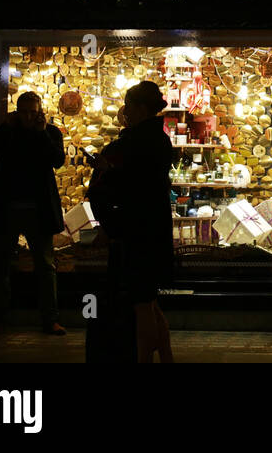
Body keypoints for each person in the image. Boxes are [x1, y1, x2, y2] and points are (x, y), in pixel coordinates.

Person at [89, 80, 177, 362]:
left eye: (127, 105)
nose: (124, 110)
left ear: (139, 108)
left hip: (137, 230)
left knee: (141, 304)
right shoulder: (158, 137)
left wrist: (107, 171)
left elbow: (130, 184)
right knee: (150, 302)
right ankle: (166, 357)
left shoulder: (136, 140)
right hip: (153, 227)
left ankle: (143, 359)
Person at [0, 91, 67, 335]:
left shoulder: (50, 133)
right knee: (0, 265)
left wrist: (41, 134)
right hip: (8, 208)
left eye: (33, 112)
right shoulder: (9, 132)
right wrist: (4, 129)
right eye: (25, 112)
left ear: (40, 111)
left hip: (38, 209)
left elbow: (57, 160)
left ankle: (49, 319)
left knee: (45, 266)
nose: (29, 117)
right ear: (17, 112)